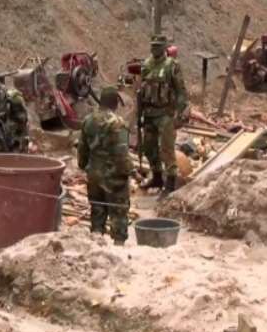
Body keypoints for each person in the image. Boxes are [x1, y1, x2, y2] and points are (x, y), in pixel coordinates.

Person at [77, 86, 132, 245]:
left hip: (94, 173)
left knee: (97, 210)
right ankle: (119, 245)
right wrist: (129, 172)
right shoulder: (118, 123)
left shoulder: (88, 120)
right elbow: (122, 154)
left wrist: (84, 166)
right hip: (113, 175)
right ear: (115, 103)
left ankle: (96, 243)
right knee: (119, 212)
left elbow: (82, 149)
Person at [137, 35, 189, 196]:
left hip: (165, 113)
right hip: (149, 113)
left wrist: (179, 113)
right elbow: (141, 90)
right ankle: (157, 177)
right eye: (153, 45)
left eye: (158, 46)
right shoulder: (146, 65)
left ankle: (170, 183)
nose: (154, 49)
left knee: (166, 149)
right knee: (149, 148)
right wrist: (139, 114)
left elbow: (181, 91)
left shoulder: (171, 66)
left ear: (164, 47)